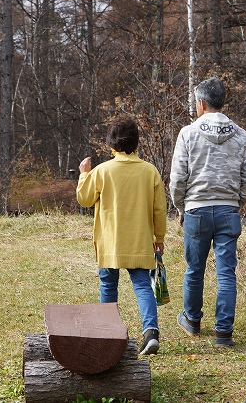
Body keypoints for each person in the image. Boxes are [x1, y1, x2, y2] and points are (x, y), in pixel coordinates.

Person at [169, 77, 246, 347]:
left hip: (196, 209)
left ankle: (193, 321)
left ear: (202, 103)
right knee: (226, 273)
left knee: (194, 269)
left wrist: (181, 206)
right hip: (229, 210)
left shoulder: (188, 133)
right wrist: (237, 202)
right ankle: (223, 333)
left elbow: (178, 178)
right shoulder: (240, 135)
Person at [76, 115, 167, 355]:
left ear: (111, 145)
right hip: (139, 241)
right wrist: (159, 238)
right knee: (143, 286)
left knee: (108, 284)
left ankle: (107, 334)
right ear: (136, 143)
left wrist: (84, 173)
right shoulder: (150, 172)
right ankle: (151, 332)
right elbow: (159, 209)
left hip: (110, 242)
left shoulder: (102, 171)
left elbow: (84, 199)